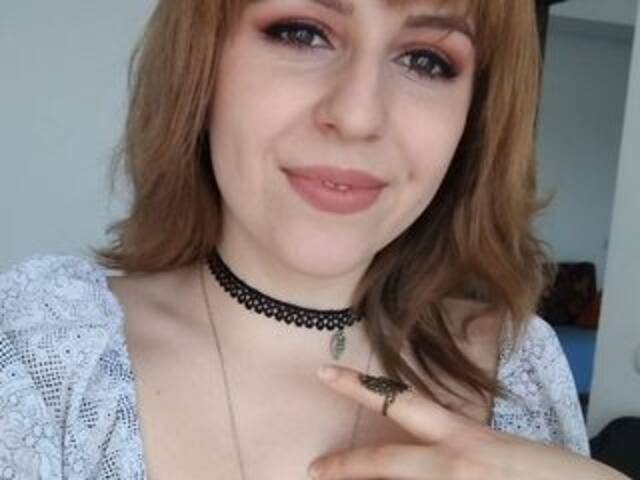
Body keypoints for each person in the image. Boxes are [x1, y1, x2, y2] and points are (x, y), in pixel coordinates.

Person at [0, 0, 631, 478]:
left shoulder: (521, 369)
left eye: (426, 60)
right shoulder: (43, 352)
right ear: (201, 63)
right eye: (301, 32)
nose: (357, 116)